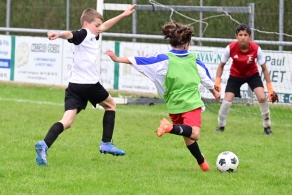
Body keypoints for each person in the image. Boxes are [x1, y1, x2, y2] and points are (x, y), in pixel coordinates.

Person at [105, 21, 220, 171]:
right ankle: (168, 127)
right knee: (195, 134)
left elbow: (142, 61)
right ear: (187, 44)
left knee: (188, 136)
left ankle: (202, 163)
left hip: (173, 104)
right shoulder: (194, 60)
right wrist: (215, 92)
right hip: (191, 103)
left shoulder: (163, 59)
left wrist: (117, 58)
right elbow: (205, 79)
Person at [35, 4, 137, 166]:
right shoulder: (83, 33)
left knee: (67, 121)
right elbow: (71, 34)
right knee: (111, 105)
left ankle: (44, 144)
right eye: (96, 25)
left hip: (74, 86)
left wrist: (123, 14)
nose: (99, 28)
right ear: (86, 24)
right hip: (89, 85)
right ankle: (106, 143)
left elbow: (105, 25)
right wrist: (59, 33)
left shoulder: (92, 34)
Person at [214, 24, 278, 135]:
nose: (243, 37)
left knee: (262, 97)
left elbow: (264, 69)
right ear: (236, 36)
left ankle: (267, 128)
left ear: (250, 36)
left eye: (245, 35)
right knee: (226, 101)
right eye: (240, 35)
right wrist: (217, 81)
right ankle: (220, 126)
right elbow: (221, 66)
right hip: (235, 76)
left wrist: (270, 88)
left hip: (252, 75)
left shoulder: (256, 49)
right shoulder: (230, 48)